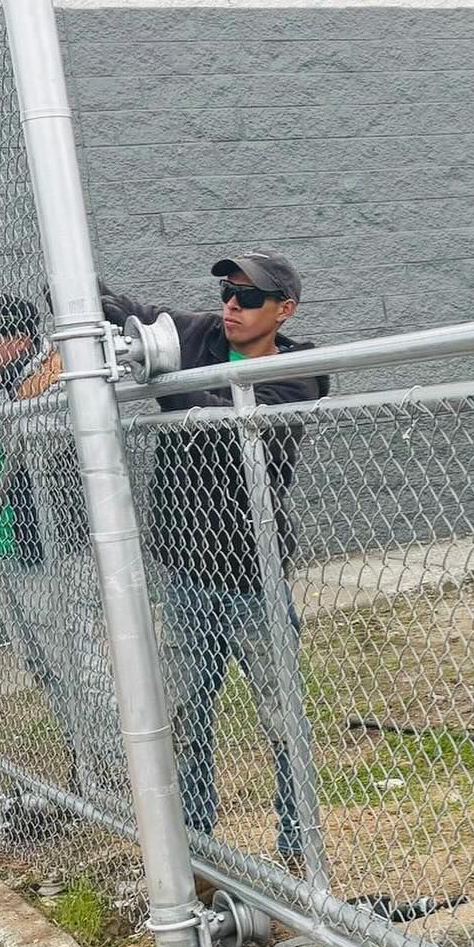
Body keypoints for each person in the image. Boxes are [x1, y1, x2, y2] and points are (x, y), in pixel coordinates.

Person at [99, 253, 328, 866]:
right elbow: (125, 309)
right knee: (186, 716)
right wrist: (80, 296)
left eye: (249, 298)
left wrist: (165, 376)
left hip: (254, 574)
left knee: (283, 718)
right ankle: (199, 852)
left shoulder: (298, 374)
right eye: (228, 292)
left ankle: (297, 848)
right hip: (184, 572)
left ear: (284, 311)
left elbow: (228, 428)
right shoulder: (200, 333)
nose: (232, 305)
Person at [0, 293, 124, 800]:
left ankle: (121, 762)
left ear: (22, 336)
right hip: (8, 544)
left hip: (52, 548)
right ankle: (87, 759)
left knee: (77, 658)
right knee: (40, 663)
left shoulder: (59, 373)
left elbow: (39, 435)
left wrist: (25, 391)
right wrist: (5, 390)